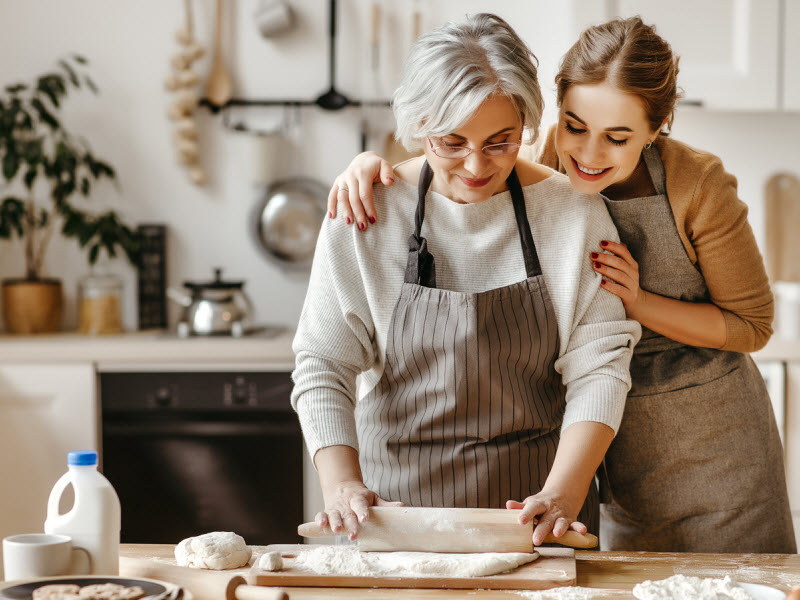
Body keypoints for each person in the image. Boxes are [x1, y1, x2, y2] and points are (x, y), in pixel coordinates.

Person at [324, 16, 796, 553]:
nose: (589, 155)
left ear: (659, 126)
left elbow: (751, 326)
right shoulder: (547, 165)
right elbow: (466, 156)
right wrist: (372, 168)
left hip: (711, 445)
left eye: (617, 138)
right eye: (575, 126)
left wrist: (637, 303)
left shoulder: (694, 185)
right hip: (609, 447)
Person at [291, 13, 640, 547]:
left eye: (501, 142)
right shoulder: (367, 212)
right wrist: (341, 485)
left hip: (537, 520)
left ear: (526, 123)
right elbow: (323, 363)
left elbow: (600, 367)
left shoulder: (573, 215)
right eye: (451, 143)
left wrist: (564, 494)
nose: (477, 166)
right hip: (393, 520)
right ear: (418, 126)